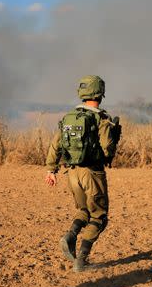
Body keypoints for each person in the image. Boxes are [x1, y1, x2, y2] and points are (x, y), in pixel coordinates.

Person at [45, 75, 121, 272]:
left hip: (72, 174)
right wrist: (114, 135)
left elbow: (56, 145)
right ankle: (81, 261)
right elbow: (108, 149)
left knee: (83, 211)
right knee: (99, 217)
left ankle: (70, 236)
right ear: (100, 93)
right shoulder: (100, 118)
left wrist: (51, 170)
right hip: (92, 173)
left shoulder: (70, 117)